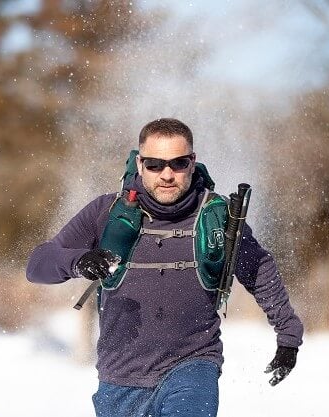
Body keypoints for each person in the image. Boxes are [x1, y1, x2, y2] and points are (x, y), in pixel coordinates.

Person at [26, 118, 304, 417]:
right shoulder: (105, 211)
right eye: (156, 165)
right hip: (120, 377)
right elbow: (38, 264)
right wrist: (79, 262)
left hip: (194, 365)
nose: (167, 175)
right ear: (140, 163)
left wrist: (288, 335)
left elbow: (259, 269)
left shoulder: (220, 216)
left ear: (193, 162)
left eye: (178, 163)